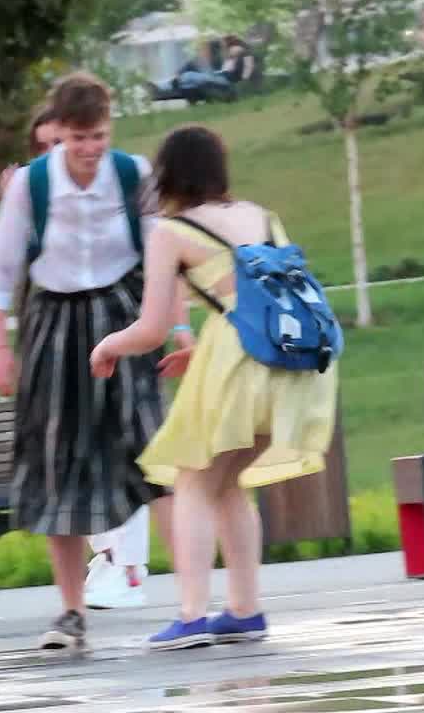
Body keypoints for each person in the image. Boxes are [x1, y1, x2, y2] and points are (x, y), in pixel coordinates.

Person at [90, 125, 339, 651]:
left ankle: (191, 615)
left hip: (239, 361)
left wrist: (108, 346)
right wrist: (202, 349)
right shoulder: (262, 216)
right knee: (227, 483)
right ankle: (245, 609)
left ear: (169, 175)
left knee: (193, 482)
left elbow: (152, 328)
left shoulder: (171, 231)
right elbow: (256, 298)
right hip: (291, 363)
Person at [0, 72, 191, 650]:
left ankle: (193, 603)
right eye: (78, 139)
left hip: (125, 314)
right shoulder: (31, 184)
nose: (90, 149)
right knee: (58, 459)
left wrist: (179, 330)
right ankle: (72, 611)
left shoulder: (133, 174)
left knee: (156, 452)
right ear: (59, 132)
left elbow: (164, 259)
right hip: (55, 321)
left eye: (98, 136)